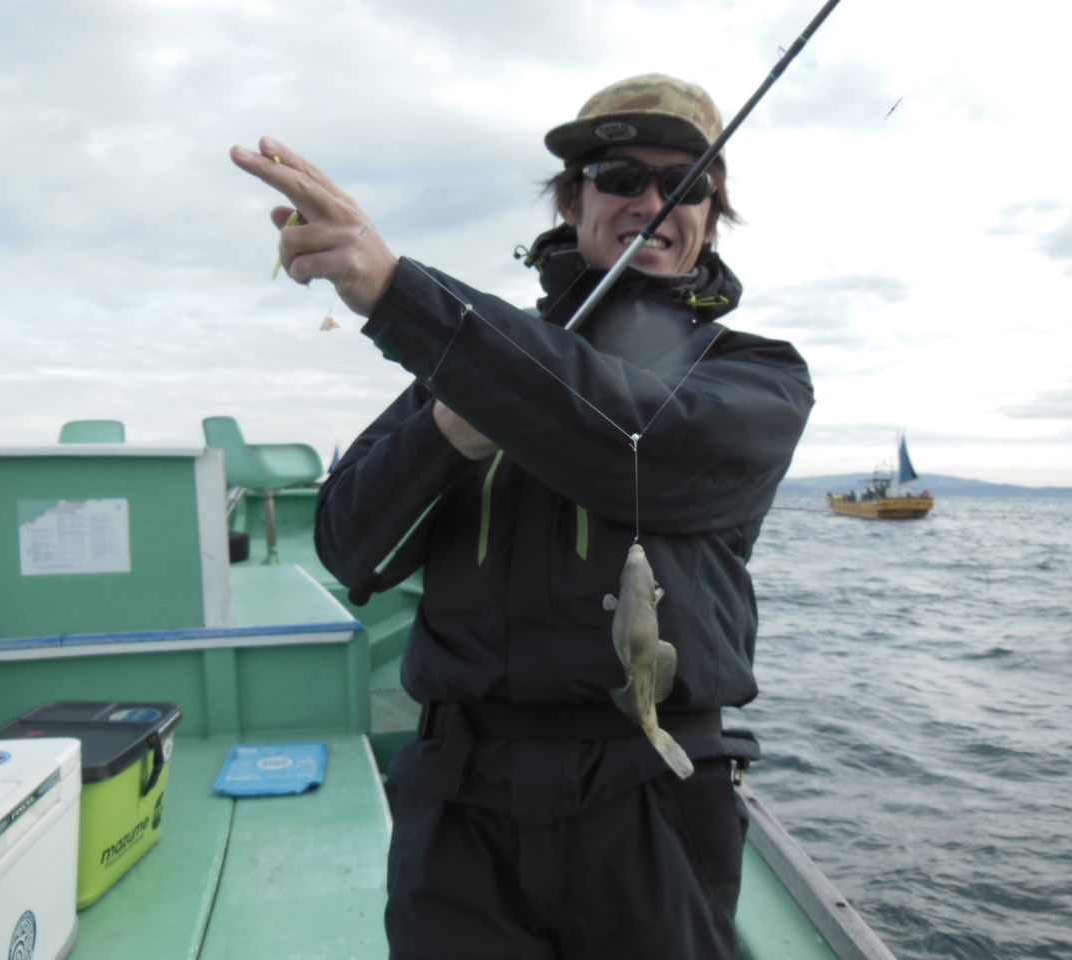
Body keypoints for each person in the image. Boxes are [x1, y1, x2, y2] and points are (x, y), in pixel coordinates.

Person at [231, 73, 813, 960]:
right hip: (459, 808)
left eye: (686, 184)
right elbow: (350, 547)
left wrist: (400, 295)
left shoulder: (756, 375)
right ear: (572, 202)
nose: (652, 203)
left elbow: (636, 445)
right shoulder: (462, 370)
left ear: (711, 213)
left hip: (651, 797)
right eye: (621, 176)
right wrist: (445, 432)